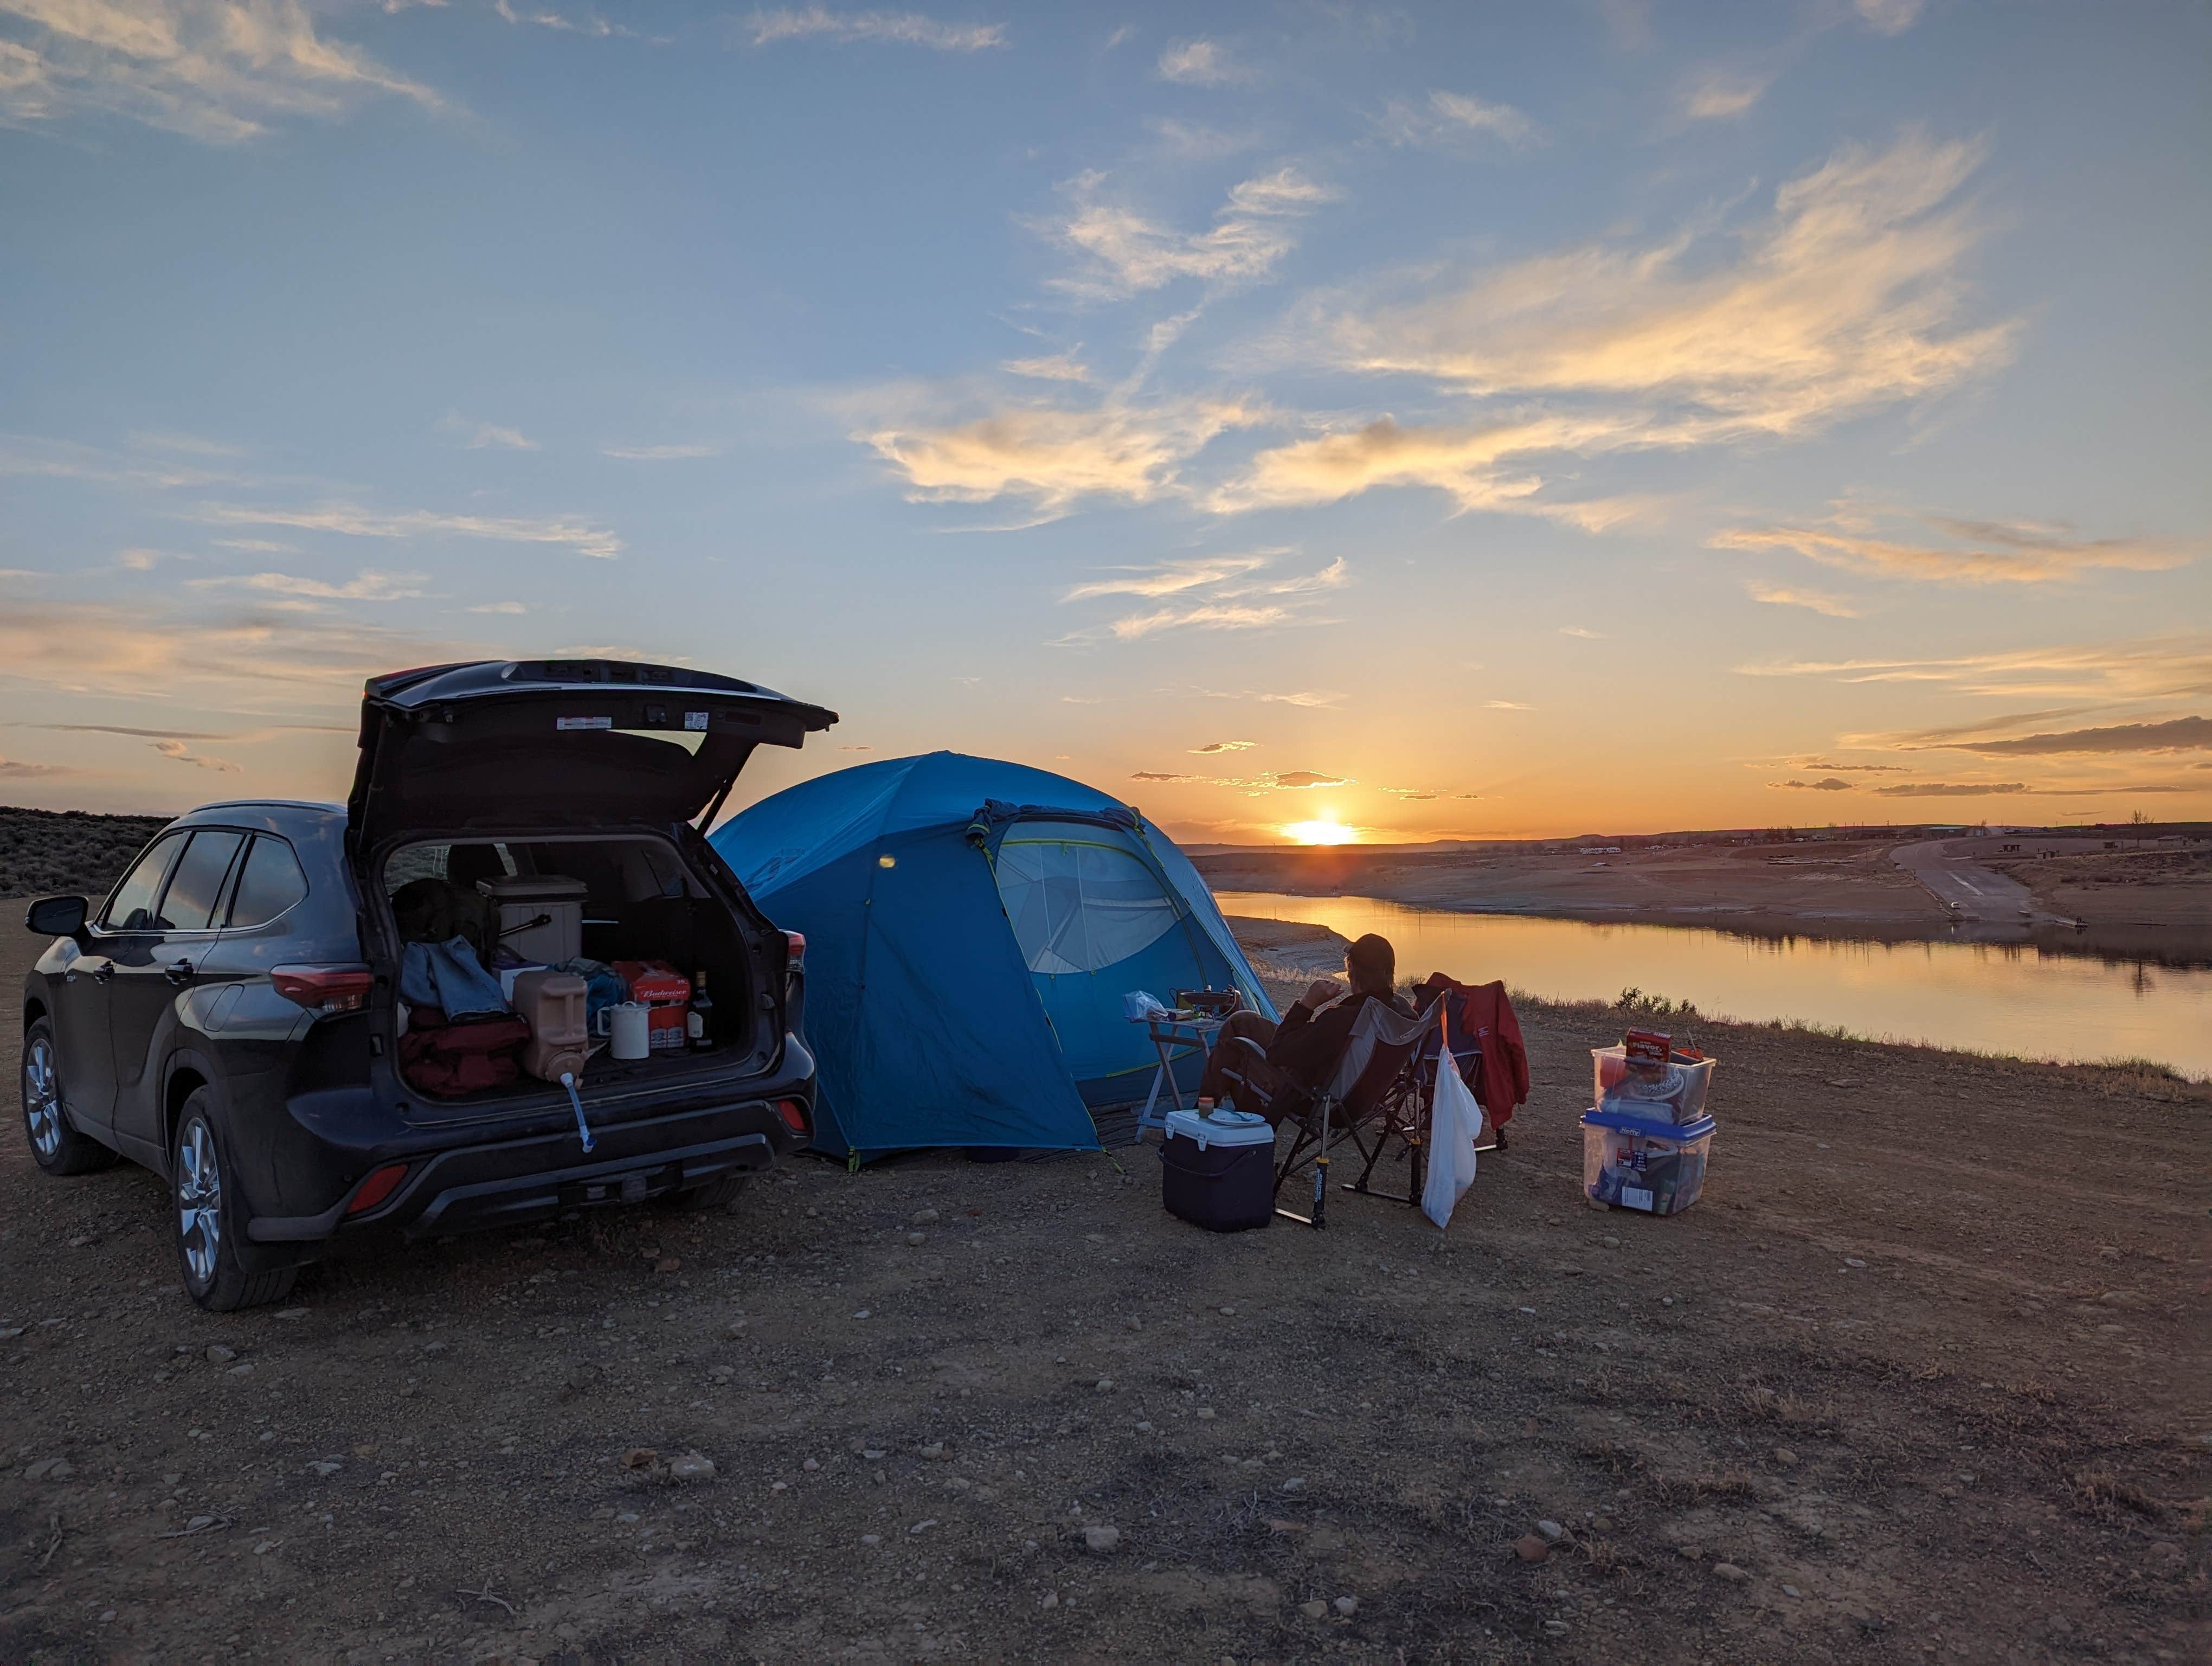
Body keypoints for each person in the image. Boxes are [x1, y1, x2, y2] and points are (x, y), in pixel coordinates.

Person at [1197, 933, 1412, 1124]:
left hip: (1312, 1095)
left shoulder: (1344, 1018)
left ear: (1352, 971)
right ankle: (1216, 1120)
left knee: (1241, 1056)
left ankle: (1209, 1119)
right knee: (1243, 1020)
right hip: (1354, 1099)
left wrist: (1307, 1003)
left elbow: (1277, 1053)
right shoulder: (1401, 1012)